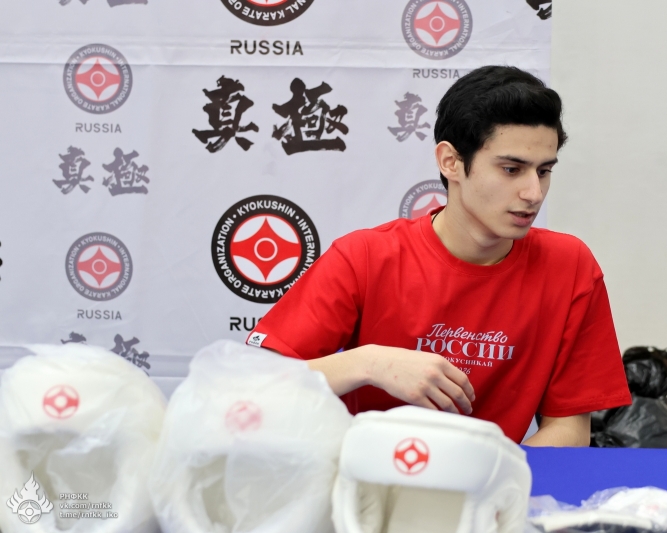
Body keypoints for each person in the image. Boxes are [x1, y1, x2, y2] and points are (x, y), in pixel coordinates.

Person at [247, 66, 631, 446]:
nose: (533, 193)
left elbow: (569, 430)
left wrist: (494, 475)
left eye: (544, 171)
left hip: (497, 480)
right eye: (511, 169)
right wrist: (370, 363)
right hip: (372, 478)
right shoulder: (364, 257)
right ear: (450, 162)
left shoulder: (569, 265)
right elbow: (255, 387)